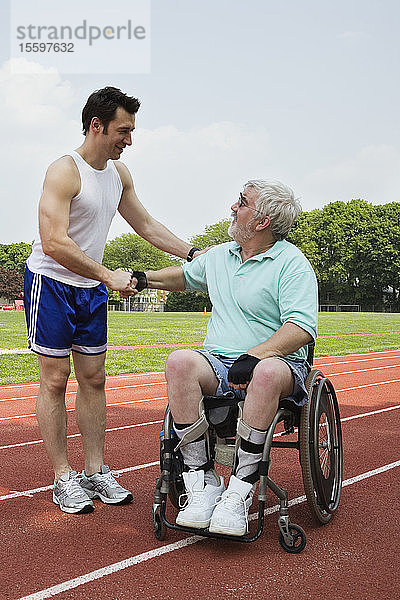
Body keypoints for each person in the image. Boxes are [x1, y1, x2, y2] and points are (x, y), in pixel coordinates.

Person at [24, 87, 202, 514]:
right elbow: (53, 242)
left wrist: (193, 254)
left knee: (96, 379)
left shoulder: (119, 174)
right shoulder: (64, 171)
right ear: (96, 125)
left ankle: (95, 470)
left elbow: (144, 222)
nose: (129, 139)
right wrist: (108, 275)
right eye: (124, 130)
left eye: (132, 131)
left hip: (90, 289)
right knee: (54, 379)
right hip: (51, 283)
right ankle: (63, 477)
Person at [131, 179, 318, 536]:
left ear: (262, 221)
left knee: (264, 374)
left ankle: (240, 491)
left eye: (242, 202)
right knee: (180, 362)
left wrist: (257, 355)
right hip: (220, 361)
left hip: (278, 363)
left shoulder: (291, 264)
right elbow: (184, 277)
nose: (233, 207)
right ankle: (202, 482)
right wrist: (144, 279)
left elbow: (301, 327)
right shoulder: (220, 255)